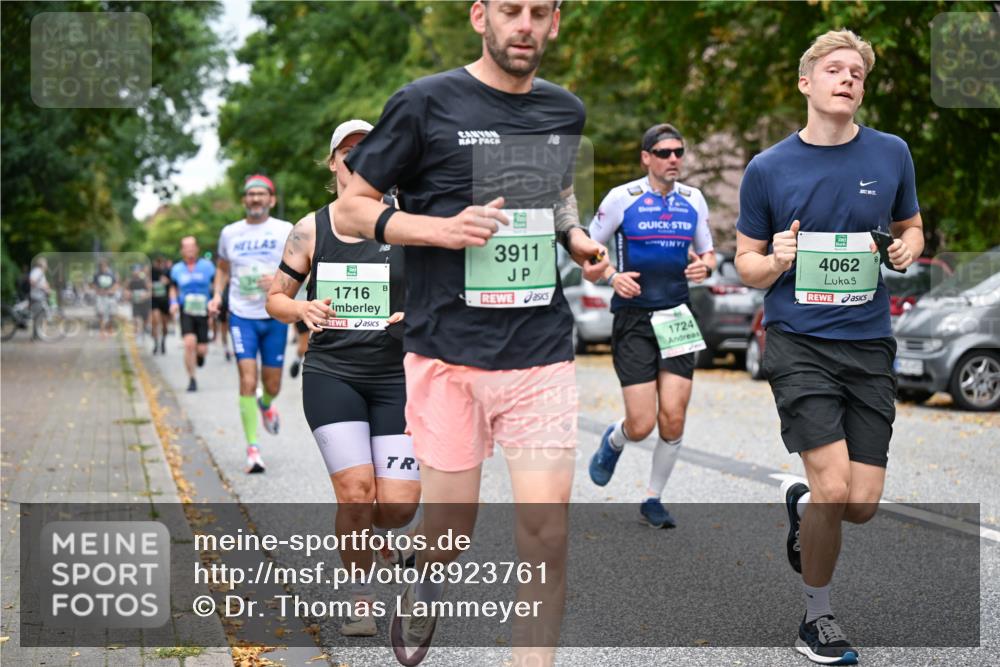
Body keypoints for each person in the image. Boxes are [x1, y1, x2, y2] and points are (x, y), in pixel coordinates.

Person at [338, 2, 608, 664]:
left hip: (538, 352)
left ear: (556, 23)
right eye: (510, 10)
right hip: (445, 355)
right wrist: (440, 229)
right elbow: (353, 206)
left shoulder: (564, 110)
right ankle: (424, 567)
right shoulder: (425, 103)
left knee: (545, 534)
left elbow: (554, 193)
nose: (525, 25)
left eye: (539, 13)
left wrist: (574, 237)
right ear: (479, 16)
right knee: (451, 534)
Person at [733, 29, 923, 666]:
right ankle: (817, 619)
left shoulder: (892, 153)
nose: (848, 79)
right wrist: (774, 260)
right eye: (834, 69)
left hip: (868, 342)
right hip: (798, 343)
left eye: (857, 73)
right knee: (836, 487)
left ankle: (805, 505)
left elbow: (912, 225)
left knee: (861, 505)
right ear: (805, 82)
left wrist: (908, 247)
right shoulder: (768, 168)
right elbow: (745, 265)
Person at [267, 119, 419, 637]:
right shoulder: (310, 229)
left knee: (397, 507)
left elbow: (438, 291)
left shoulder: (405, 223)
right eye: (346, 150)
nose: (356, 156)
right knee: (356, 494)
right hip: (333, 373)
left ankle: (383, 539)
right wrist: (301, 307)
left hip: (397, 376)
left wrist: (415, 317)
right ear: (332, 162)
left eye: (367, 148)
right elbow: (275, 298)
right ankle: (361, 598)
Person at [587, 123, 716, 528]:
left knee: (673, 418)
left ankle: (652, 499)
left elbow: (708, 252)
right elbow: (587, 258)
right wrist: (611, 277)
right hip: (634, 317)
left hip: (677, 315)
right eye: (664, 153)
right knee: (642, 425)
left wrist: (704, 267)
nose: (673, 158)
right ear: (647, 158)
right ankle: (616, 438)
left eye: (678, 151)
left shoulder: (694, 200)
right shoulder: (622, 199)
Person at [209, 175, 292, 474]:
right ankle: (253, 449)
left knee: (272, 384)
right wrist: (217, 295)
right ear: (244, 200)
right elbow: (222, 268)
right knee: (247, 380)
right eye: (250, 194)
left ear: (272, 199)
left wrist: (279, 281)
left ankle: (266, 403)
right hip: (242, 315)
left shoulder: (286, 230)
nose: (255, 199)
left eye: (261, 194)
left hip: (275, 315)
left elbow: (302, 266)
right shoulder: (230, 233)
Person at [170, 237, 216, 392]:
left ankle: (200, 356)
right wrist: (173, 303)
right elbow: (173, 289)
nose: (189, 250)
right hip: (186, 310)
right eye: (186, 247)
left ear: (197, 248)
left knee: (201, 349)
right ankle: (192, 379)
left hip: (204, 310)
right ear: (182, 250)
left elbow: (216, 285)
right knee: (189, 343)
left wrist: (216, 302)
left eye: (192, 247)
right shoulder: (176, 269)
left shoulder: (207, 266)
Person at [150, 256, 172, 354]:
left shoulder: (168, 272)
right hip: (154, 300)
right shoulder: (151, 272)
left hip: (165, 300)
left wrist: (167, 282)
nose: (159, 265)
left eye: (160, 263)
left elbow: (173, 285)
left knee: (164, 324)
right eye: (157, 262)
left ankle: (163, 342)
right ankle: (156, 344)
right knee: (155, 321)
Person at [92, 259, 118, 337]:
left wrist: (112, 290)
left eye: (104, 265)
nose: (102, 267)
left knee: (111, 313)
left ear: (107, 266)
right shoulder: (97, 274)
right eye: (101, 266)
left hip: (110, 296)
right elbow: (93, 284)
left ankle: (110, 328)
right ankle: (102, 330)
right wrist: (98, 291)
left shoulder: (112, 274)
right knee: (101, 313)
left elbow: (116, 284)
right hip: (100, 296)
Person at [126, 264, 151, 342]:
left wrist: (145, 295)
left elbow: (150, 291)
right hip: (135, 303)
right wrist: (129, 295)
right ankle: (138, 336)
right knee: (136, 320)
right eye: (134, 271)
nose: (135, 272)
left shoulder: (145, 280)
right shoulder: (130, 281)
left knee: (145, 320)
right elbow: (126, 290)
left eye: (137, 270)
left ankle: (143, 333)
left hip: (145, 303)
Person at [28, 257, 51, 340]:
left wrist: (47, 288)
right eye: (45, 263)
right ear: (42, 264)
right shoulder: (36, 271)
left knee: (40, 316)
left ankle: (38, 335)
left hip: (40, 297)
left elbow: (44, 283)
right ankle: (35, 336)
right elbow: (32, 281)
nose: (46, 265)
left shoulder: (40, 272)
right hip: (36, 297)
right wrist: (43, 288)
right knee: (37, 316)